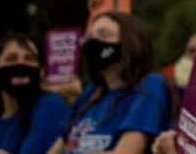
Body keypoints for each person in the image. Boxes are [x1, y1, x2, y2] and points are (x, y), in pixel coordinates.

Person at [49, 12, 171, 154]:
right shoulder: (89, 95)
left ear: (130, 41)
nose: (92, 43)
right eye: (90, 37)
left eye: (104, 34)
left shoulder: (150, 84)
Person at [0, 34, 70, 154]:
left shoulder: (50, 105)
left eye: (29, 59)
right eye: (11, 58)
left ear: (41, 71)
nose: (21, 64)